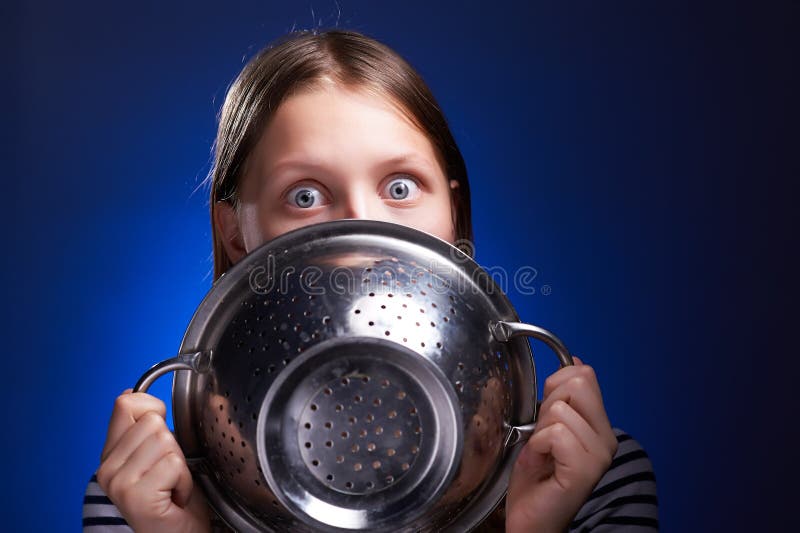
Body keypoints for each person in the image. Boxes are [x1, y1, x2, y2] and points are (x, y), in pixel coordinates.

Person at [82, 29, 658, 532]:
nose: (361, 234)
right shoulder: (149, 493)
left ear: (452, 213)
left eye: (400, 187)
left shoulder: (579, 474)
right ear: (236, 233)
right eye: (305, 196)